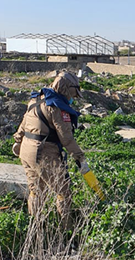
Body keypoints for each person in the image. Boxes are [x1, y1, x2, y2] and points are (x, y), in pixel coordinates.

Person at [13, 71, 89, 229]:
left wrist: (18, 141)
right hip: (43, 154)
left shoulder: (36, 98)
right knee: (64, 192)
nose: (73, 99)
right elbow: (66, 138)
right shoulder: (56, 107)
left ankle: (36, 229)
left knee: (36, 191)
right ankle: (66, 231)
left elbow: (24, 123)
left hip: (26, 151)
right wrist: (80, 159)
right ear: (67, 89)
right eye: (73, 94)